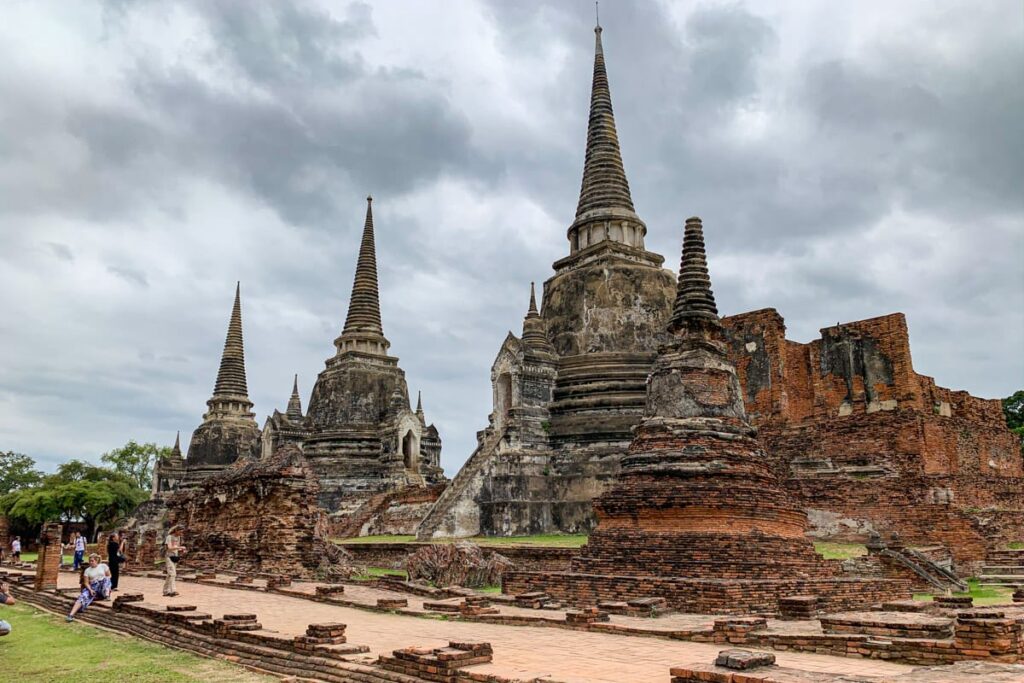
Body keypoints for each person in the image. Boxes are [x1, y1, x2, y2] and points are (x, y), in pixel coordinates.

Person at [66, 554, 111, 622]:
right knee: (83, 596)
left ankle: (107, 596)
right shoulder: (87, 570)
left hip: (103, 587)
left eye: (92, 561)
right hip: (93, 587)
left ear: (96, 560)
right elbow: (86, 583)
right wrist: (90, 590)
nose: (90, 562)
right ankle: (71, 615)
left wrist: (101, 581)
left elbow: (109, 575)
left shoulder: (103, 566)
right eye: (90, 561)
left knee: (106, 579)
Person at [163, 525, 185, 597]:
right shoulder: (169, 537)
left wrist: (181, 549)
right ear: (176, 530)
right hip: (169, 556)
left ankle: (165, 591)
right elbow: (169, 548)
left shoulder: (178, 537)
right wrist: (179, 547)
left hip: (175, 556)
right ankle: (173, 590)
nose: (181, 533)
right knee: (173, 574)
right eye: (180, 531)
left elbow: (176, 547)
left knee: (170, 574)